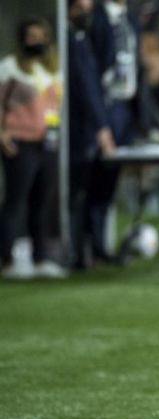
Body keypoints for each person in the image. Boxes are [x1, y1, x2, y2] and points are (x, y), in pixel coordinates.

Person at [0, 17, 66, 280]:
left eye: (41, 36)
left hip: (47, 141)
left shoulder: (53, 70)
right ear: (22, 39)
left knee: (42, 201)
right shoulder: (9, 67)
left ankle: (41, 258)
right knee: (16, 201)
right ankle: (7, 260)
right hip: (19, 140)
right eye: (31, 36)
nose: (36, 41)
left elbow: (56, 107)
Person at [88, 0, 141, 262]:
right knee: (92, 179)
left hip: (123, 108)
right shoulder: (94, 18)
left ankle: (100, 246)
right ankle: (89, 247)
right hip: (102, 105)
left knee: (109, 180)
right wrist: (100, 122)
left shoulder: (130, 20)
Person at [66, 0, 116, 270]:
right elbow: (87, 88)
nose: (86, 14)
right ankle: (75, 255)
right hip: (76, 131)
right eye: (80, 9)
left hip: (85, 129)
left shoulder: (80, 39)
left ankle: (84, 253)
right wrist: (102, 126)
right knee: (75, 195)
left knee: (83, 195)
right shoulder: (70, 43)